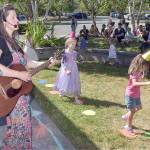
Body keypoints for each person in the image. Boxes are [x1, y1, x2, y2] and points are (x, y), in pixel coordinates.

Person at [0, 4, 53, 149]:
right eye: (13, 17)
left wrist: (45, 63)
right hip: (8, 94)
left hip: (18, 95)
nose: (17, 19)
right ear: (4, 22)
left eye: (17, 16)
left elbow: (28, 62)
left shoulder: (15, 43)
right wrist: (18, 74)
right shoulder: (1, 41)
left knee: (20, 130)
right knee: (20, 130)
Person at [121, 52, 150, 138]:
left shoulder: (140, 71)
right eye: (147, 66)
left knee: (139, 107)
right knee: (133, 111)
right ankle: (128, 127)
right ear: (142, 64)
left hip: (136, 95)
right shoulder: (135, 71)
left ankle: (127, 116)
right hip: (130, 95)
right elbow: (134, 84)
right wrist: (147, 83)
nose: (148, 68)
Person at [50, 34, 83, 104]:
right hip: (66, 69)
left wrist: (76, 61)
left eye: (75, 44)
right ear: (68, 43)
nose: (74, 46)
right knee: (63, 81)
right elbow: (63, 62)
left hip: (73, 69)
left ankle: (76, 98)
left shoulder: (75, 52)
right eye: (72, 44)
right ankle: (62, 91)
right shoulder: (64, 52)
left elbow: (73, 59)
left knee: (74, 82)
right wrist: (66, 70)